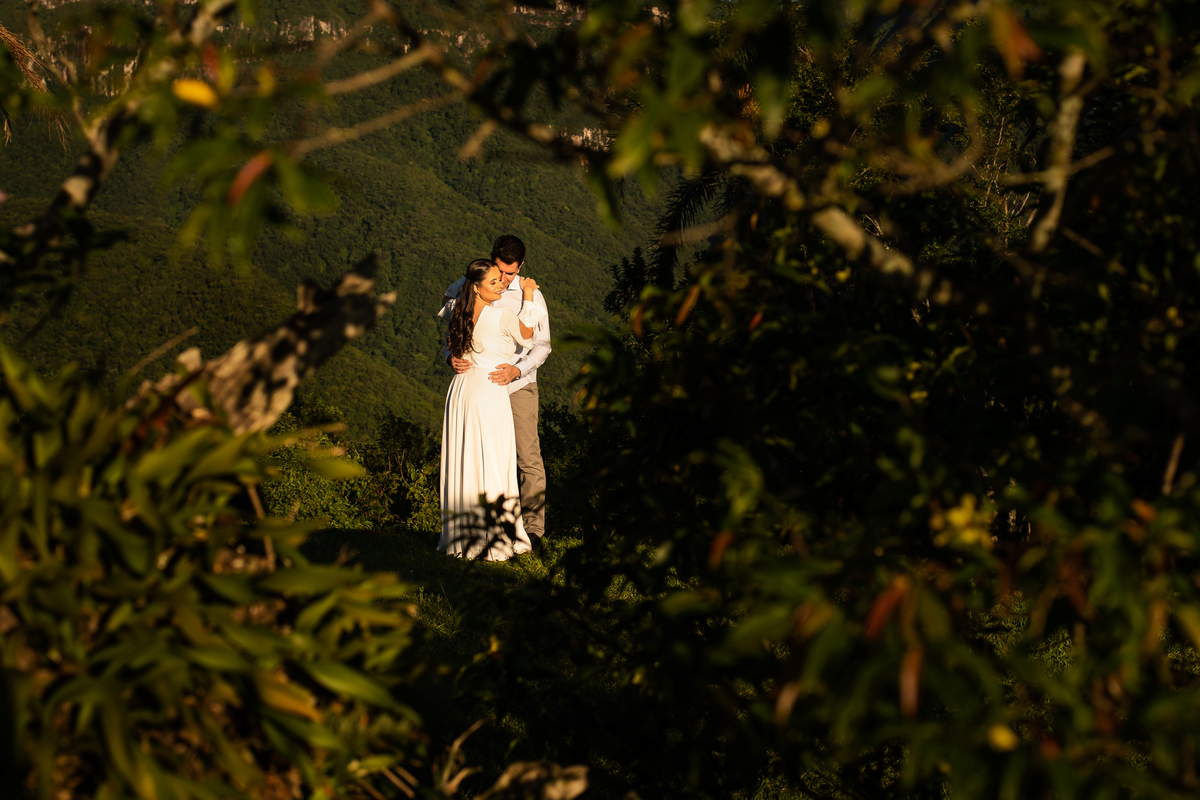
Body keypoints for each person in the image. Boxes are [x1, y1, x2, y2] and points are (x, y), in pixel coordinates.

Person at [441, 235, 551, 544]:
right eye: (499, 271)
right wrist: (450, 357)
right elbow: (452, 328)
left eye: (510, 273)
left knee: (527, 457)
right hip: (479, 386)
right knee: (477, 454)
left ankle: (532, 529)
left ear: (521, 267)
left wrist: (518, 370)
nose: (503, 279)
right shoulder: (467, 285)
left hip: (518, 386)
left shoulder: (532, 297)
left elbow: (542, 344)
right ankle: (477, 525)